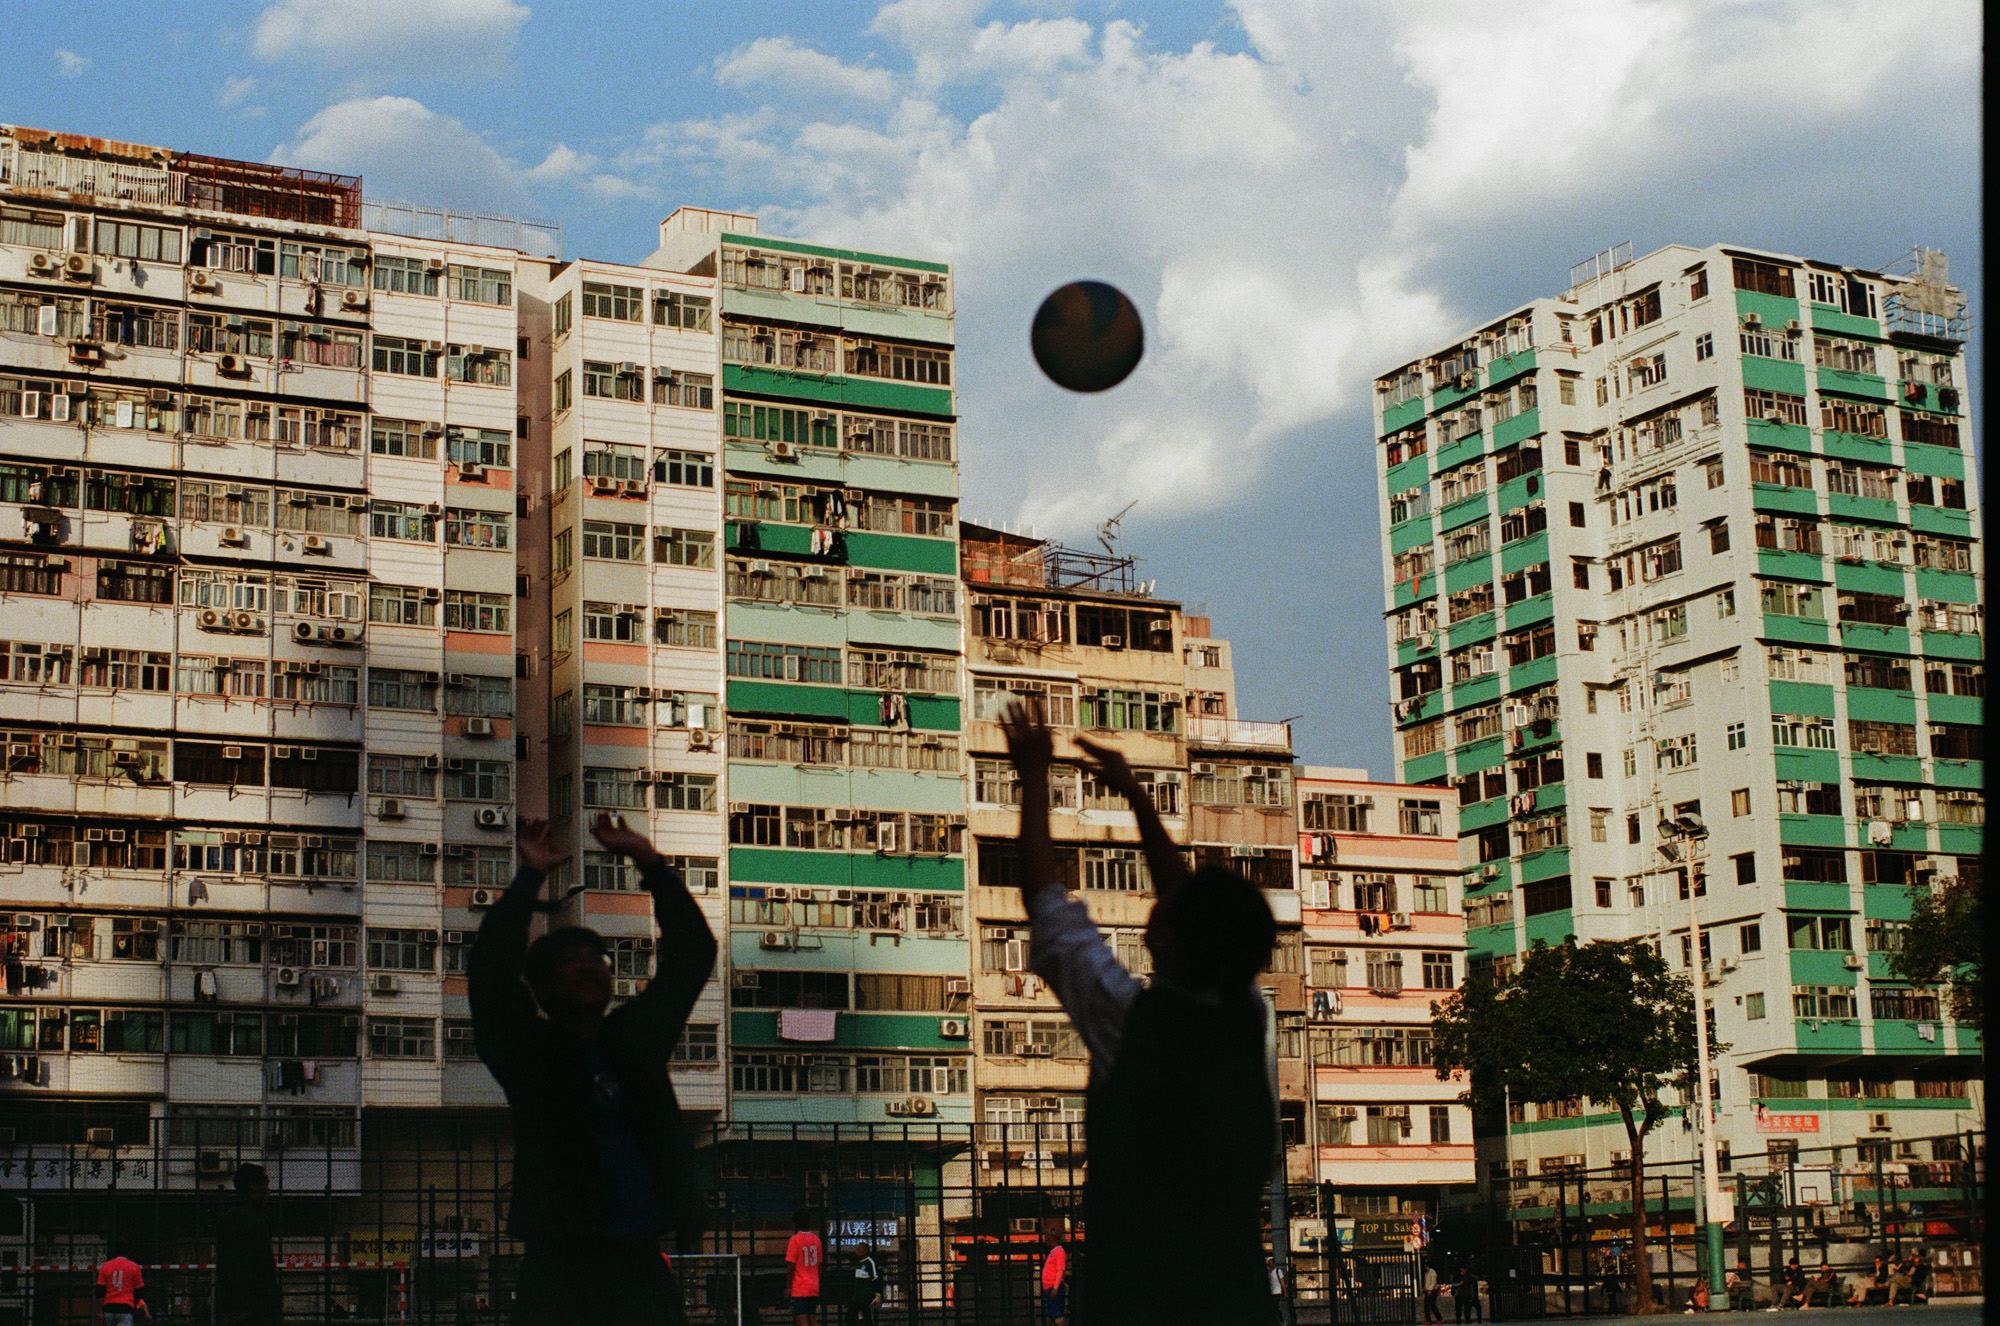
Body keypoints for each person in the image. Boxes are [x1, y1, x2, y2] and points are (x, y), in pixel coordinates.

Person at [1003, 708, 1277, 1325]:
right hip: (1235, 1301)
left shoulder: (1135, 1026)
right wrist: (1135, 798)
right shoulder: (1245, 1014)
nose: (1165, 902)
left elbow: (1046, 904)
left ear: (1174, 941)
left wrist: (1034, 776)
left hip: (1136, 1298)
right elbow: (1192, 905)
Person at [472, 814, 717, 1326]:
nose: (588, 965)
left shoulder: (635, 1039)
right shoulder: (529, 1054)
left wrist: (647, 859)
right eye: (570, 960)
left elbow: (693, 952)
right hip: (560, 1269)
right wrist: (528, 878)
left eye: (597, 958)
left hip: (639, 1266)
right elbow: (491, 973)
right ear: (538, 989)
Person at [216, 1163, 282, 1326]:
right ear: (253, 1187)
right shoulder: (257, 1221)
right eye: (265, 1184)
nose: (268, 1190)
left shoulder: (227, 1219)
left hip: (233, 1307)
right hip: (256, 1310)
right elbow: (264, 1267)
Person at [786, 1210, 823, 1325]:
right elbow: (819, 1264)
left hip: (800, 1286)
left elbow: (791, 1264)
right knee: (812, 1318)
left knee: (801, 1319)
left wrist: (788, 1287)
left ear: (795, 1224)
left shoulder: (795, 1240)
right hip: (813, 1285)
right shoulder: (816, 1240)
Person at [96, 1253, 148, 1325]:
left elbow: (99, 1291)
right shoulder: (134, 1267)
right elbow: (139, 1291)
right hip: (126, 1307)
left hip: (109, 1307)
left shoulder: (105, 1266)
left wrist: (100, 1311)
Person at [848, 1244, 881, 1325]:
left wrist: (877, 1295)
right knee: (849, 1317)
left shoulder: (870, 1262)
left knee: (867, 1319)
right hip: (857, 1297)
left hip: (866, 1297)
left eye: (859, 1249)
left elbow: (875, 1278)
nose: (857, 1251)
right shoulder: (858, 1263)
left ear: (865, 1251)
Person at [1042, 1240, 1068, 1326]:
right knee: (1054, 1315)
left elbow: (1060, 1269)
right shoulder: (1053, 1252)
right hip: (1050, 1287)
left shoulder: (1059, 1251)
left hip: (1054, 1287)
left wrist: (1055, 1288)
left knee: (1057, 1316)